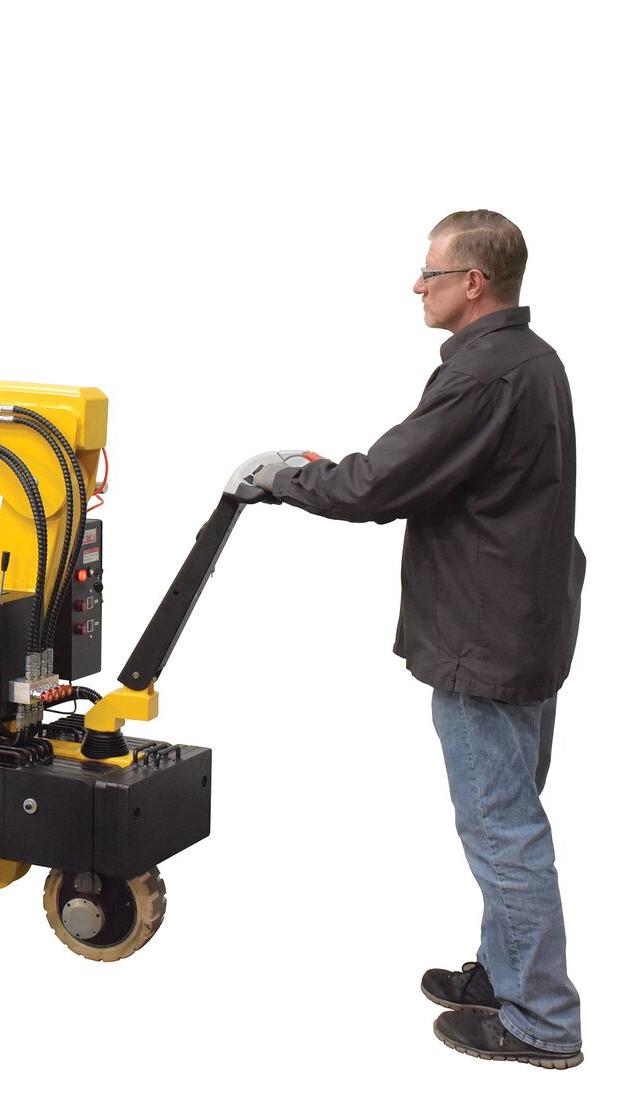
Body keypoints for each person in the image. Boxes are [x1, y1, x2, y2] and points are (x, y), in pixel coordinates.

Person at [229, 210, 586, 1069]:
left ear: (474, 283)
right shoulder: (532, 360)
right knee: (507, 814)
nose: (416, 286)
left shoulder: (483, 375)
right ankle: (504, 972)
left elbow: (380, 483)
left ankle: (541, 1021)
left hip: (482, 638)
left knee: (501, 826)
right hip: (522, 624)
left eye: (431, 273)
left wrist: (289, 479)